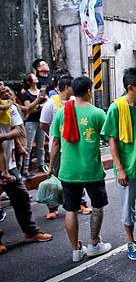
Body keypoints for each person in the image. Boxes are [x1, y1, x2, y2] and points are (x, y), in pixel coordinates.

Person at [49, 76, 111, 262]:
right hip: (91, 170)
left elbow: (55, 143)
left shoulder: (62, 112)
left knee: (70, 209)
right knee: (97, 205)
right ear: (89, 91)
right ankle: (94, 244)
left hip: (68, 170)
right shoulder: (98, 113)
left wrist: (51, 166)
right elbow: (110, 139)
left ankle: (76, 250)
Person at [101, 68, 136, 261]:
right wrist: (119, 168)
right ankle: (131, 241)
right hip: (127, 169)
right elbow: (112, 139)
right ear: (130, 87)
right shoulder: (116, 108)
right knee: (128, 209)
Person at [0, 83, 52, 251]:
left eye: (6, 89)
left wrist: (4, 137)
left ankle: (30, 231)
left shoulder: (10, 107)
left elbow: (19, 130)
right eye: (2, 89)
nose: (6, 91)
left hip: (8, 163)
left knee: (21, 196)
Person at [40, 74, 92, 220]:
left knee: (77, 176)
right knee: (55, 176)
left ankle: (80, 202)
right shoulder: (51, 103)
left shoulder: (76, 102)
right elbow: (43, 124)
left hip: (74, 147)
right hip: (57, 147)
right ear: (68, 87)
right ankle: (52, 207)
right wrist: (53, 135)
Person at [20, 73, 48, 175]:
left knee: (40, 145)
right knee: (28, 145)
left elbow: (47, 103)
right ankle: (25, 169)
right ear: (29, 81)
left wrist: (39, 105)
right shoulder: (26, 94)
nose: (36, 77)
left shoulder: (41, 91)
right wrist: (38, 100)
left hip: (41, 120)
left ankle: (41, 164)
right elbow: (28, 109)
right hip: (31, 121)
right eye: (33, 77)